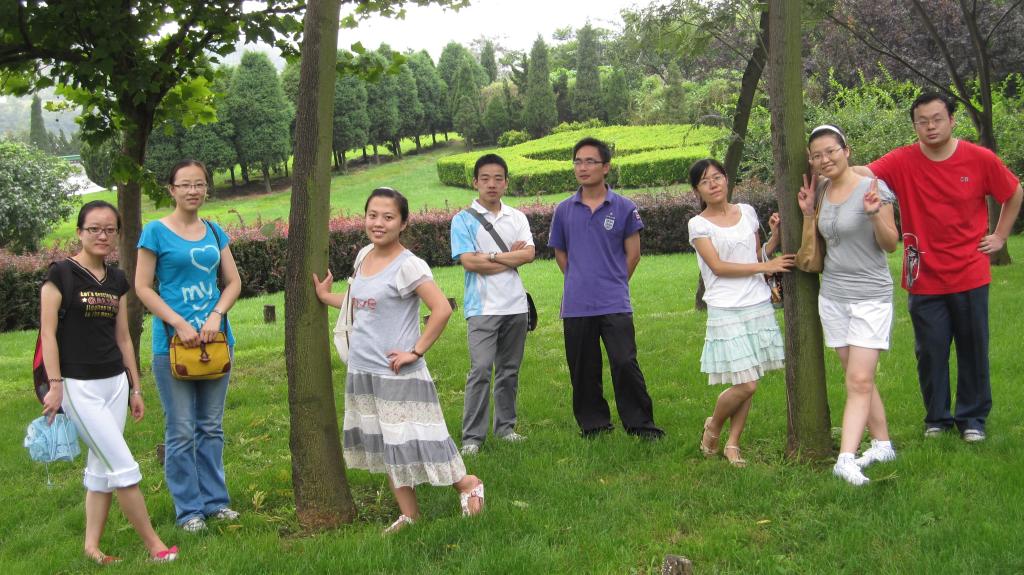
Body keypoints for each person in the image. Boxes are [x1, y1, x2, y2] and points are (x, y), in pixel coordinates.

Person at [313, 187, 484, 534]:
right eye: (372, 215)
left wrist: (415, 351)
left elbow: (441, 309)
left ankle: (468, 483)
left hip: (398, 373)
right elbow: (359, 303)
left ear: (403, 223)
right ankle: (409, 514)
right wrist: (326, 296)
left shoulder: (409, 265)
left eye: (388, 217)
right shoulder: (363, 255)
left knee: (425, 439)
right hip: (363, 370)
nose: (378, 223)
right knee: (387, 445)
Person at [855, 92, 1022, 442]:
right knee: (929, 352)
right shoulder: (902, 160)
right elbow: (861, 174)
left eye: (937, 119)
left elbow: (1013, 191)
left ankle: (973, 419)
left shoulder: (979, 158)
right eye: (922, 121)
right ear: (914, 125)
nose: (930, 126)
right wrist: (829, 159)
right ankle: (937, 418)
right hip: (923, 275)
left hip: (969, 271)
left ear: (951, 120)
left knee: (973, 348)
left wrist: (1000, 236)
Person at [39, 201, 178, 563]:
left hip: (115, 383)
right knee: (122, 466)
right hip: (77, 385)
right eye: (94, 229)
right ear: (79, 232)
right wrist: (55, 385)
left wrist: (135, 387)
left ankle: (91, 548)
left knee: (101, 467)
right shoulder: (60, 275)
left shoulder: (117, 279)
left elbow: (123, 338)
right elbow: (48, 335)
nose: (102, 236)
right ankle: (155, 547)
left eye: (109, 230)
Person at [135, 160, 243, 532]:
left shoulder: (214, 231)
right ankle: (189, 511)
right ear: (172, 189)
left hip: (216, 342)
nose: (193, 190)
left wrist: (216, 315)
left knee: (210, 427)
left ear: (206, 188)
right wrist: (179, 323)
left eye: (199, 184)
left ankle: (216, 503)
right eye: (185, 184)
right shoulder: (155, 232)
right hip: (172, 346)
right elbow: (142, 287)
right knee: (180, 429)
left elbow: (233, 282)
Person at [799, 125, 899, 485]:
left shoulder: (873, 188)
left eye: (831, 151)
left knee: (859, 379)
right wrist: (808, 211)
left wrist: (873, 214)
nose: (825, 159)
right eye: (817, 155)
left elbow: (891, 244)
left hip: (870, 296)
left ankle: (845, 458)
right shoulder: (822, 191)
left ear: (846, 150)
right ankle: (882, 444)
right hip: (834, 297)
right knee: (858, 378)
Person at [547, 137, 664, 439]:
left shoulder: (624, 207)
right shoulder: (564, 210)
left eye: (590, 161)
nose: (582, 167)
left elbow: (633, 254)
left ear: (606, 167)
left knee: (624, 362)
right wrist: (580, 279)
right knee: (583, 368)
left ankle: (641, 425)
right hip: (576, 304)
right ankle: (594, 425)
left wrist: (613, 282)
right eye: (578, 161)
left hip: (614, 302)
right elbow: (561, 254)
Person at [688, 159, 793, 467]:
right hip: (726, 307)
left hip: (756, 303)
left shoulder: (746, 212)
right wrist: (765, 266)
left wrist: (775, 237)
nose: (713, 184)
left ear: (726, 179)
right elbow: (718, 266)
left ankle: (733, 444)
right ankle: (714, 426)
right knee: (747, 383)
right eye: (705, 181)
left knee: (750, 378)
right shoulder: (698, 224)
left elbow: (756, 256)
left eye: (717, 177)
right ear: (697, 190)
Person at [450, 154, 535, 455]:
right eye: (485, 178)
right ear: (475, 182)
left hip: (515, 306)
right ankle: (472, 438)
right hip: (482, 308)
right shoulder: (462, 220)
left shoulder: (517, 217)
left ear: (506, 183)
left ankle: (505, 428)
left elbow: (528, 254)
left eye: (498, 178)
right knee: (482, 369)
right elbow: (470, 262)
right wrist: (509, 258)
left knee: (509, 370)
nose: (492, 184)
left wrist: (490, 256)